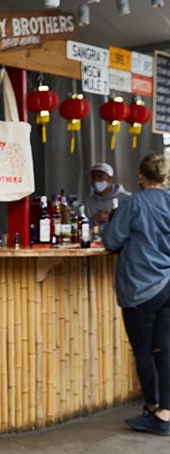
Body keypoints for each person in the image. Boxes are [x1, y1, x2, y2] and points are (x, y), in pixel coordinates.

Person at [103, 153, 170, 437]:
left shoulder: (134, 203)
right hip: (168, 282)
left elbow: (111, 240)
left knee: (143, 351)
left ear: (141, 176)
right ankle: (166, 411)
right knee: (165, 349)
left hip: (141, 286)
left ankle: (153, 406)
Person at [86, 162, 131, 232]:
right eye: (93, 177)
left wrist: (113, 218)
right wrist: (94, 219)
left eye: (99, 176)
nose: (96, 180)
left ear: (110, 178)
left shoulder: (127, 198)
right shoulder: (88, 202)